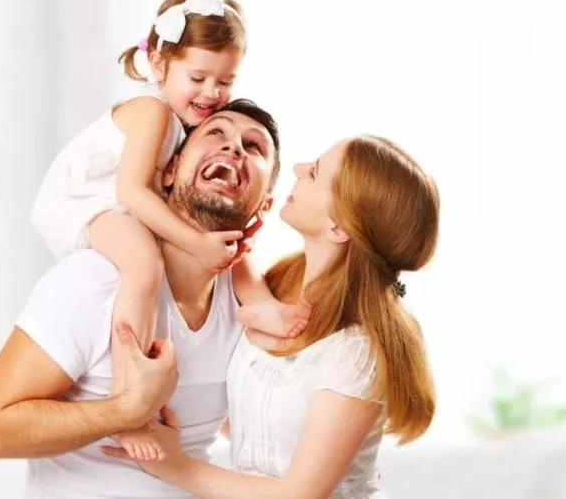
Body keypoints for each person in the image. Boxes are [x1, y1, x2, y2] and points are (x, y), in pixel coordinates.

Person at [29, 0, 304, 460]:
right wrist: (196, 243)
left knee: (221, 234)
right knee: (143, 265)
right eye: (198, 77)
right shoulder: (152, 110)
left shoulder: (187, 123)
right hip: (85, 199)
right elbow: (132, 192)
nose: (212, 93)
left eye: (225, 81)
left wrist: (209, 245)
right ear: (159, 64)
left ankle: (257, 301)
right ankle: (129, 400)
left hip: (128, 199)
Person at [0, 100, 288, 499]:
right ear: (169, 171)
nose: (234, 147)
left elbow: (242, 425)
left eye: (253, 146)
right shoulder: (95, 279)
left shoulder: (248, 305)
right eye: (215, 133)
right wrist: (124, 411)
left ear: (264, 205)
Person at [102, 135, 440, 498]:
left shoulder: (355, 352)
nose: (298, 169)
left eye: (314, 172)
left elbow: (298, 494)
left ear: (338, 228)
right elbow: (260, 420)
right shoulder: (273, 291)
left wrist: (173, 464)